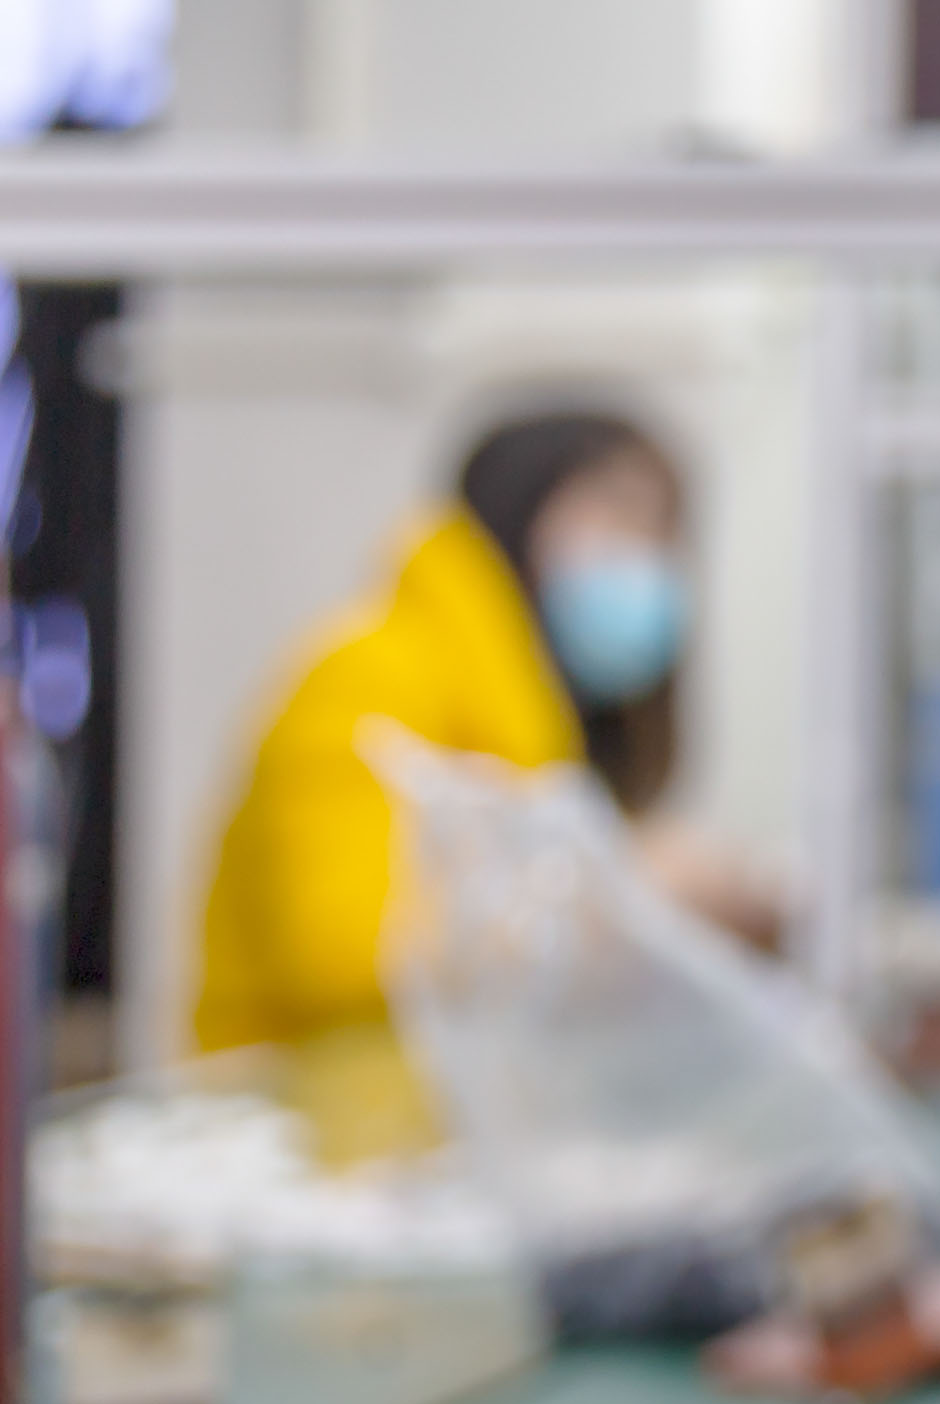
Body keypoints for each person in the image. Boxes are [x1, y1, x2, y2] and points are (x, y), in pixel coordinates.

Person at [194, 404, 756, 1056]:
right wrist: (618, 901)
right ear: (522, 506)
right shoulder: (372, 673)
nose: (643, 558)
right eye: (618, 516)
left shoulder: (536, 724)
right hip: (305, 1107)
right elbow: (343, 956)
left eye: (662, 531)